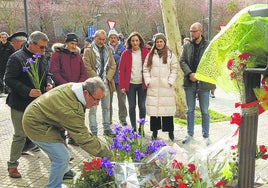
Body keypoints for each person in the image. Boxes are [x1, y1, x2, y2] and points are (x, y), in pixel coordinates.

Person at [22, 77, 113, 188]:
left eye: (100, 100)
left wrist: (73, 127)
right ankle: (53, 186)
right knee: (62, 157)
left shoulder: (76, 89)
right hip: (35, 124)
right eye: (96, 99)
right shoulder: (70, 108)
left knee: (60, 154)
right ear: (86, 93)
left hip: (45, 120)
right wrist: (107, 154)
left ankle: (61, 176)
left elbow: (76, 120)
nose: (97, 104)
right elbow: (84, 138)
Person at [4, 31, 54, 178]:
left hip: (38, 103)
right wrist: (27, 91)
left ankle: (54, 159)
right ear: (31, 43)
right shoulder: (16, 57)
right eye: (41, 47)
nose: (44, 51)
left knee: (44, 132)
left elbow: (48, 74)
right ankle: (12, 165)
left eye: (46, 48)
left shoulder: (42, 56)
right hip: (20, 103)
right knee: (20, 135)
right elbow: (9, 79)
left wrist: (49, 83)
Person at [180, 22, 215, 146]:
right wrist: (190, 73)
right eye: (190, 31)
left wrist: (198, 76)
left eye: (194, 31)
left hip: (204, 84)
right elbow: (182, 61)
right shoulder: (187, 45)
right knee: (190, 110)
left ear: (200, 32)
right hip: (190, 82)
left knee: (205, 111)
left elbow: (211, 64)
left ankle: (206, 136)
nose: (191, 33)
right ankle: (190, 134)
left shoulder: (208, 46)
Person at [50, 33, 88, 146]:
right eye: (72, 43)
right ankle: (61, 139)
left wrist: (78, 85)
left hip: (77, 90)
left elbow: (83, 72)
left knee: (76, 114)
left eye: (76, 44)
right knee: (63, 115)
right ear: (66, 43)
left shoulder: (77, 55)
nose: (73, 46)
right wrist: (67, 86)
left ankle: (73, 137)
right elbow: (54, 72)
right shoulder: (57, 55)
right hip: (63, 89)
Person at [143, 33, 178, 141]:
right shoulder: (150, 55)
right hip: (153, 86)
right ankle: (154, 132)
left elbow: (174, 69)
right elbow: (145, 69)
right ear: (155, 43)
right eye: (157, 42)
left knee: (167, 111)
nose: (159, 44)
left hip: (166, 86)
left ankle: (170, 133)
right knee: (155, 112)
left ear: (164, 42)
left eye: (161, 41)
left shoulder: (171, 55)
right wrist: (148, 81)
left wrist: (170, 81)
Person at [83, 29, 116, 136]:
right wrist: (98, 80)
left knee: (106, 107)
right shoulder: (88, 50)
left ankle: (107, 128)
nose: (101, 41)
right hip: (94, 84)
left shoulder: (108, 49)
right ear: (94, 38)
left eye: (103, 39)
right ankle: (94, 131)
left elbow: (113, 66)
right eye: (99, 39)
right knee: (93, 109)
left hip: (106, 83)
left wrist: (107, 79)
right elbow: (87, 66)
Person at [119, 31, 149, 133]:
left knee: (142, 106)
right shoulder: (126, 53)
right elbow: (121, 70)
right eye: (133, 41)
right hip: (130, 84)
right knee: (132, 106)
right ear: (130, 42)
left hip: (142, 84)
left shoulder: (145, 52)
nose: (135, 43)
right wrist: (122, 85)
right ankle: (133, 128)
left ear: (140, 41)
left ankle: (142, 128)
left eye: (137, 40)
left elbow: (150, 67)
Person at [107, 29, 127, 126]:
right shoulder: (106, 48)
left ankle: (122, 118)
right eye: (111, 38)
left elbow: (122, 61)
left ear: (117, 38)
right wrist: (116, 57)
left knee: (122, 100)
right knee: (108, 100)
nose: (113, 39)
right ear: (109, 39)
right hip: (109, 78)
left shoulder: (122, 48)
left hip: (120, 78)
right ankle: (108, 119)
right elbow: (107, 61)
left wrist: (113, 57)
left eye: (114, 37)